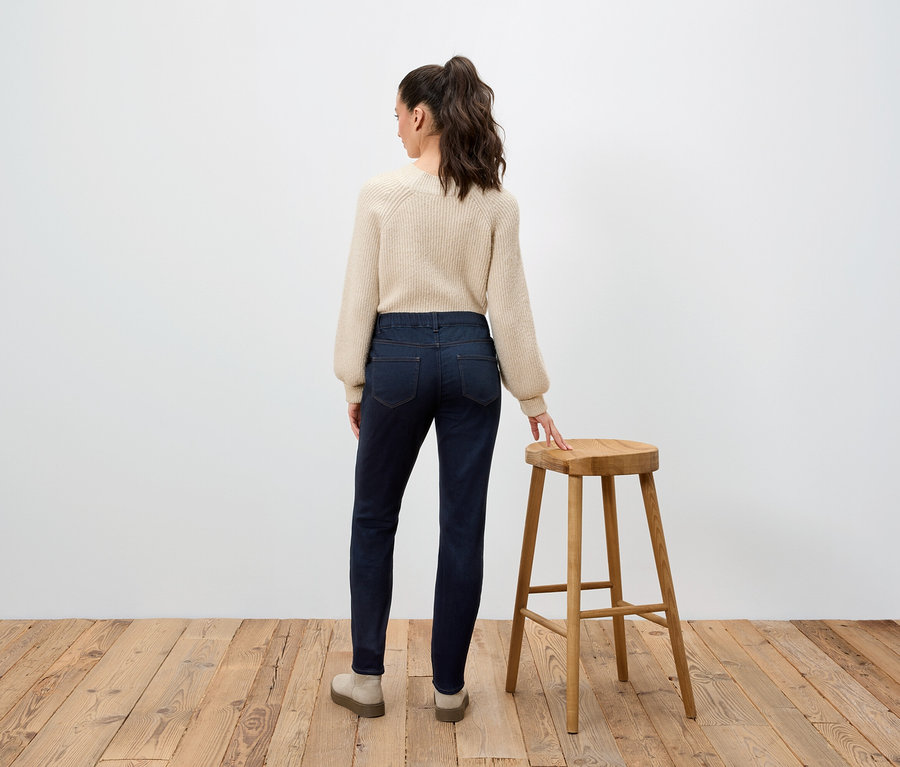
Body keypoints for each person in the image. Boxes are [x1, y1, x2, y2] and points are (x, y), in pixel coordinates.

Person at [331, 55, 572, 723]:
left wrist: (353, 378)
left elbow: (359, 295)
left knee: (374, 517)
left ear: (419, 115)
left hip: (396, 360)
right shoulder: (496, 202)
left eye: (398, 117)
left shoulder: (380, 194)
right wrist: (533, 399)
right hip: (472, 360)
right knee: (462, 526)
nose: (396, 131)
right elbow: (510, 309)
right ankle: (448, 688)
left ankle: (367, 678)